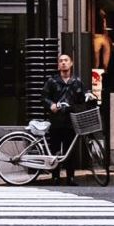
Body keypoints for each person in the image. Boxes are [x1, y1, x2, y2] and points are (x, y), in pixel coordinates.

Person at [44, 53, 92, 183]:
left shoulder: (77, 82)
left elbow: (83, 97)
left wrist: (88, 95)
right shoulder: (52, 81)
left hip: (71, 120)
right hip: (56, 120)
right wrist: (51, 105)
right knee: (54, 148)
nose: (63, 63)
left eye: (66, 60)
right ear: (58, 65)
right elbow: (44, 97)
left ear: (71, 63)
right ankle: (55, 176)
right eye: (61, 61)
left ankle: (70, 177)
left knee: (70, 150)